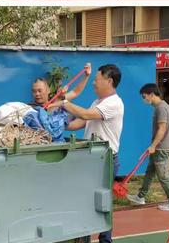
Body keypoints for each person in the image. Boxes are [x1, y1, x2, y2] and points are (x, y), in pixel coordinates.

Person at [49, 64, 124, 243]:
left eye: (96, 80)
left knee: (101, 203)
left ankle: (105, 240)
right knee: (85, 202)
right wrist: (56, 124)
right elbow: (80, 122)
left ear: (109, 81)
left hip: (105, 160)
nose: (93, 84)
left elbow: (87, 115)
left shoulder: (114, 103)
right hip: (90, 159)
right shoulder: (97, 102)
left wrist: (65, 103)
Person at [127, 83, 169, 211]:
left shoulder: (161, 108)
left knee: (163, 175)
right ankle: (140, 196)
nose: (143, 99)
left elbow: (162, 129)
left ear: (151, 94)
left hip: (161, 148)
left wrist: (153, 145)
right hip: (159, 147)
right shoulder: (161, 107)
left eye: (144, 96)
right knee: (150, 172)